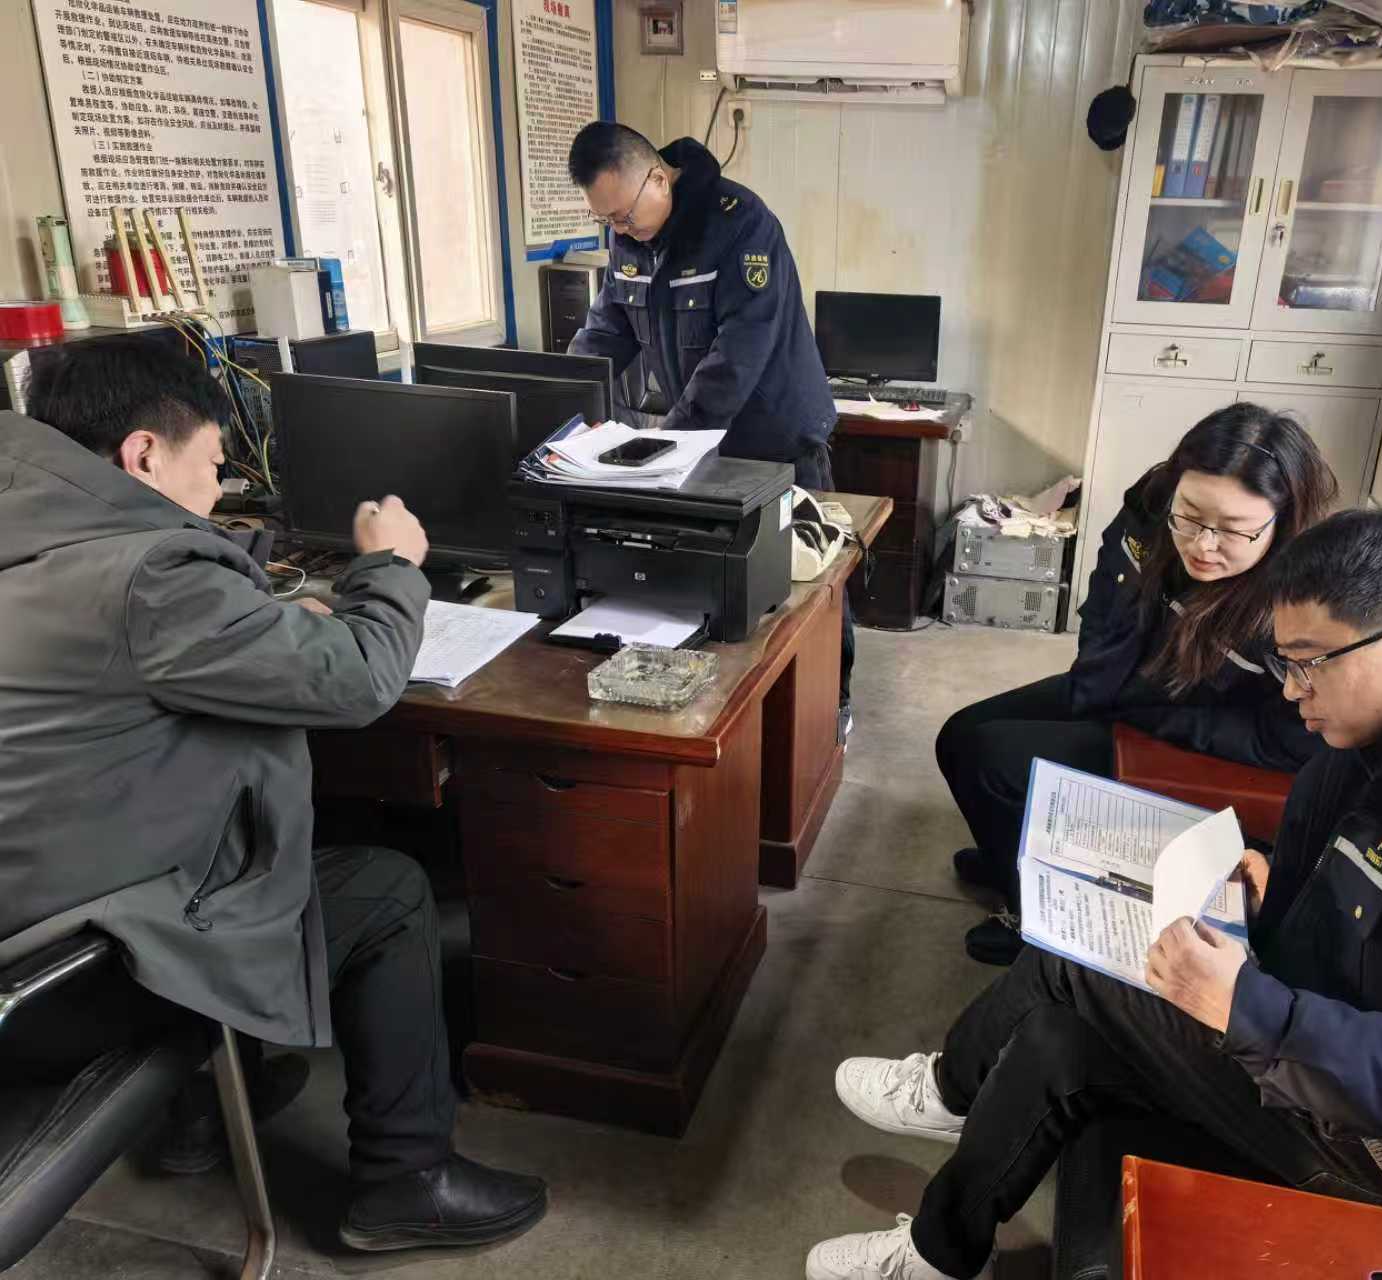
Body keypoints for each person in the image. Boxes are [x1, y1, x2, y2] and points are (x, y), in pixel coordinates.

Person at [807, 506, 1382, 1280]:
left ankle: (950, 1097)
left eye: (1309, 664)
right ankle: (940, 1249)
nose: (1291, 692)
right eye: (1282, 661)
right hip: (1376, 1032)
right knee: (1061, 1026)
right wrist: (1279, 886)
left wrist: (1247, 1007)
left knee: (1087, 967)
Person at [0, 343, 548, 1253]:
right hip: (69, 979)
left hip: (31, 914)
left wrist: (258, 619)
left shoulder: (33, 531)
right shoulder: (150, 581)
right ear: (143, 454)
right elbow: (358, 682)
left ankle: (207, 1112)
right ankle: (405, 1180)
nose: (220, 491)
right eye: (215, 465)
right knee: (386, 891)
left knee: (229, 829)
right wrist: (391, 567)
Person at [937, 403, 1337, 965]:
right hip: (1139, 691)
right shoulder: (1151, 504)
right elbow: (1107, 602)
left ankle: (1036, 919)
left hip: (1206, 733)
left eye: (1233, 530)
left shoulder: (1304, 598)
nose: (1202, 544)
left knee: (994, 757)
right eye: (1190, 516)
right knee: (960, 734)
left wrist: (1155, 719)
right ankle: (1014, 855)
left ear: (1283, 521)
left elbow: (1291, 739)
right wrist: (1095, 683)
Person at [566, 120, 854, 732]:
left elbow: (737, 355)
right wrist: (565, 403)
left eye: (624, 216)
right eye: (607, 221)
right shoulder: (630, 241)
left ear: (657, 178)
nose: (620, 230)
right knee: (726, 587)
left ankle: (833, 707)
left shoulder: (741, 225)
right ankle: (741, 722)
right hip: (703, 440)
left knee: (809, 583)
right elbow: (606, 332)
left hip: (777, 437)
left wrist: (669, 444)